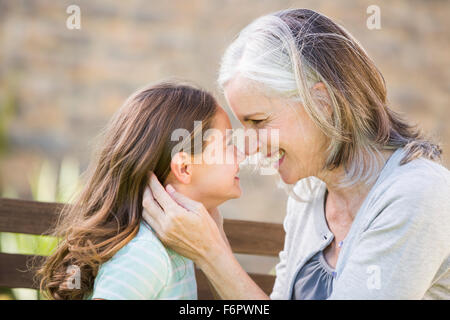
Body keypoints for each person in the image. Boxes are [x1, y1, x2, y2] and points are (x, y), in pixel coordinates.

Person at [142, 9, 450, 299]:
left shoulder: (418, 195)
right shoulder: (310, 191)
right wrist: (215, 243)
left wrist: (211, 254)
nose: (250, 145)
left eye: (258, 121)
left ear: (321, 102)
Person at [37, 81, 245, 299]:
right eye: (227, 145)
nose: (241, 153)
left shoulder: (169, 246)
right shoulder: (146, 255)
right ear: (184, 168)